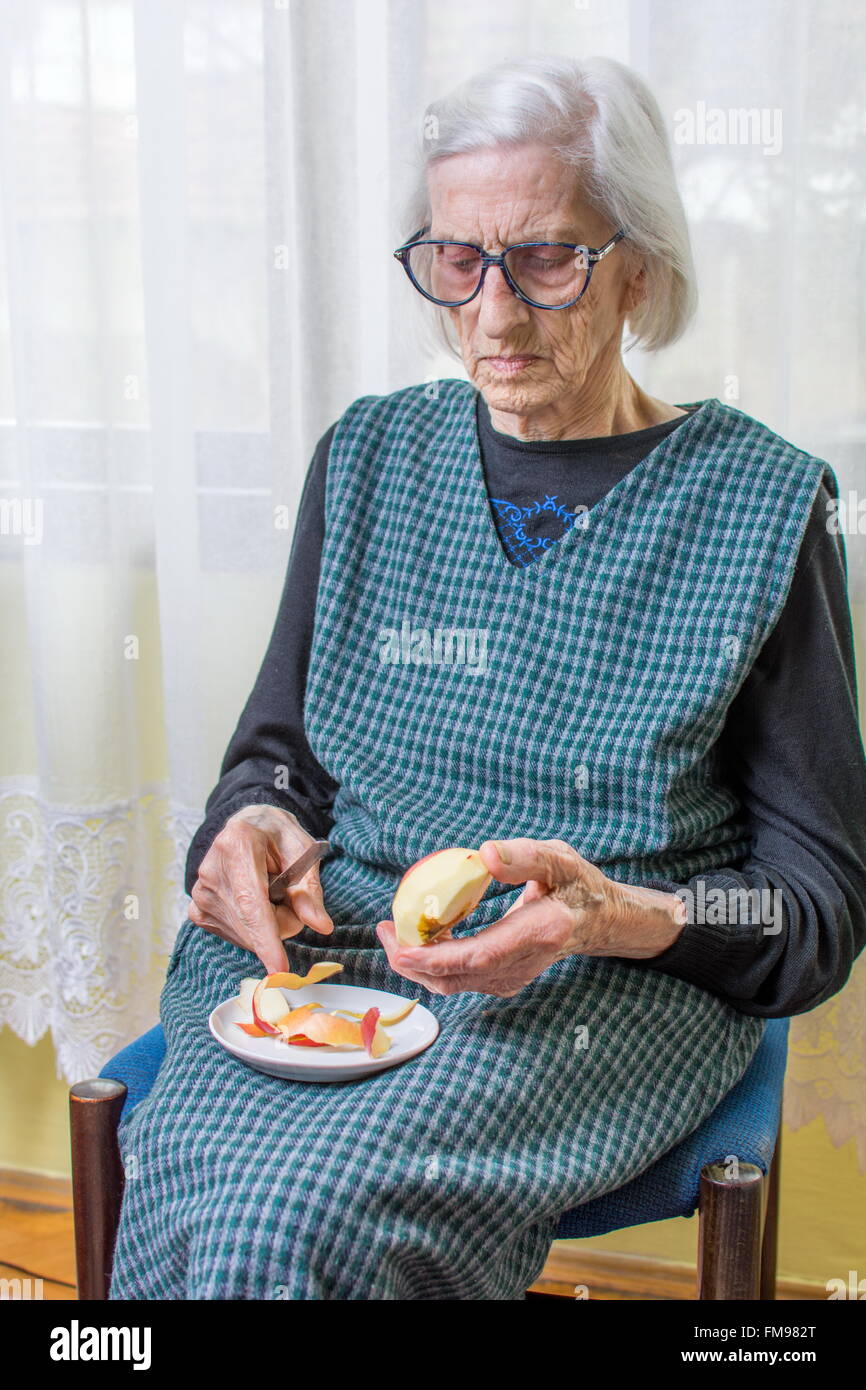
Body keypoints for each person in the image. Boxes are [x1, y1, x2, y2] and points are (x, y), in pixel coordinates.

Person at [109, 54, 866, 1301]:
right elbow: (280, 756)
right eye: (457, 261)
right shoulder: (366, 457)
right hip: (326, 966)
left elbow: (812, 908)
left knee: (308, 1220)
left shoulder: (760, 505)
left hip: (593, 988)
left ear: (640, 264)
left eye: (545, 259)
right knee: (220, 1196)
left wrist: (619, 915)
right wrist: (252, 826)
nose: (492, 320)